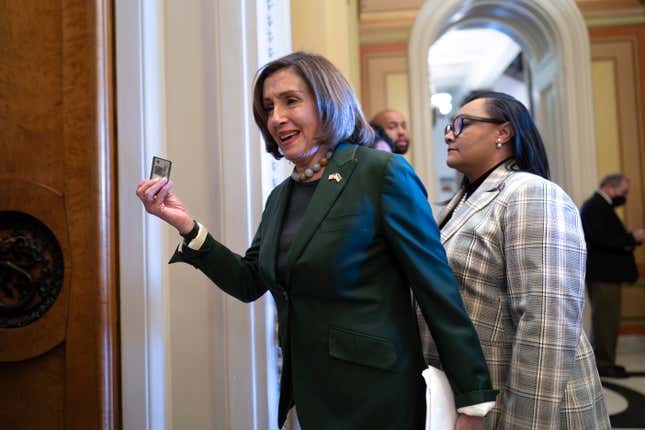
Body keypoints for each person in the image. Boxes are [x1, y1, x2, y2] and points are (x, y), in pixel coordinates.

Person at [136, 52, 497, 430]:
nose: (277, 117)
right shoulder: (281, 197)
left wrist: (471, 401)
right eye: (268, 107)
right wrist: (186, 226)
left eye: (291, 101)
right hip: (310, 397)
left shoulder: (381, 173)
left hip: (379, 397)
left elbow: (436, 289)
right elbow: (248, 281)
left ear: (327, 102)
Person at [418, 90, 610, 429]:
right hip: (476, 396)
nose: (449, 133)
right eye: (450, 125)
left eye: (461, 124)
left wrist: (525, 424)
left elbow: (547, 324)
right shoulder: (460, 201)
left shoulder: (531, 192)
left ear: (502, 133)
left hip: (523, 402)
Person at [580, 174, 645, 378]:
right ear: (609, 187)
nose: (624, 196)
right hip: (603, 275)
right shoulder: (596, 206)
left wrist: (630, 239)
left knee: (607, 319)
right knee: (606, 320)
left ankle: (605, 361)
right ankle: (603, 364)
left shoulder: (600, 206)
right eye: (623, 192)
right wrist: (631, 237)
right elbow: (604, 239)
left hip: (606, 275)